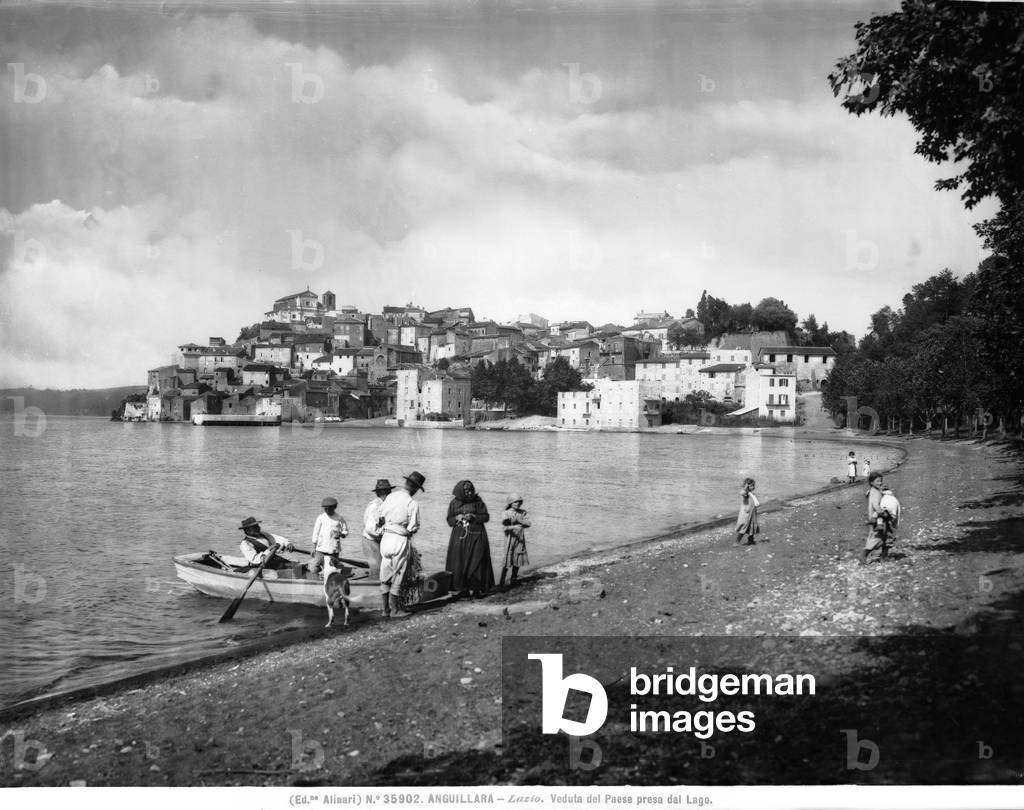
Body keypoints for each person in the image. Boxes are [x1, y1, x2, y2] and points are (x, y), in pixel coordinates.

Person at [378, 471, 425, 618]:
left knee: (385, 572)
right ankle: (395, 610)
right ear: (416, 489)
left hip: (386, 538)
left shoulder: (391, 496)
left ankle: (385, 610)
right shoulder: (412, 503)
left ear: (405, 483)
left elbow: (380, 517)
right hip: (399, 540)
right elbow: (413, 527)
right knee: (398, 574)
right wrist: (408, 531)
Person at [445, 480, 496, 597]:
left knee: (477, 560)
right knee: (459, 562)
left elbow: (486, 517)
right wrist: (456, 518)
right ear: (460, 491)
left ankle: (477, 589)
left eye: (470, 490)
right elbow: (449, 520)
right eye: (466, 491)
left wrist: (474, 516)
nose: (469, 493)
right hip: (459, 537)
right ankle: (463, 589)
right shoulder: (454, 503)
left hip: (477, 534)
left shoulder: (478, 501)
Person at [362, 479, 395, 579]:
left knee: (382, 566)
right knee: (377, 568)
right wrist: (385, 532)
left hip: (376, 541)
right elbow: (370, 529)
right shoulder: (375, 507)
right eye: (389, 492)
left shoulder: (383, 505)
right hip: (370, 541)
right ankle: (374, 589)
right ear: (383, 493)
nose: (390, 494)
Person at [310, 497, 348, 577]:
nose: (327, 510)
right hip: (321, 548)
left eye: (329, 509)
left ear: (334, 508)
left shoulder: (339, 518)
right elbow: (315, 532)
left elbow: (345, 530)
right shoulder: (321, 518)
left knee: (334, 566)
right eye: (325, 509)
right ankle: (317, 579)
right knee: (314, 566)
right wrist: (314, 547)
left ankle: (333, 578)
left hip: (333, 548)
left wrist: (342, 534)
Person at [500, 494, 531, 588]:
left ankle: (514, 578)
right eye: (515, 502)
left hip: (520, 539)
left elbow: (528, 524)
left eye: (519, 502)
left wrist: (519, 520)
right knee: (507, 558)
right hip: (510, 539)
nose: (517, 503)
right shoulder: (505, 513)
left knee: (518, 557)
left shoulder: (523, 512)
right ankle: (502, 579)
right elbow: (504, 528)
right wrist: (513, 526)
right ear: (510, 503)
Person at [860, 471, 886, 564]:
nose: (880, 483)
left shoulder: (872, 491)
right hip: (876, 517)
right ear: (871, 482)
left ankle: (882, 556)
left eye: (881, 481)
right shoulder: (875, 493)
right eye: (877, 481)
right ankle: (864, 554)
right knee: (878, 536)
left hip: (873, 517)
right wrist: (881, 511)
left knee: (876, 535)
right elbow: (875, 505)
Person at [736, 478, 760, 546]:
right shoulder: (746, 494)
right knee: (744, 527)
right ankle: (737, 541)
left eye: (753, 485)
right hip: (746, 514)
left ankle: (751, 540)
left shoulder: (751, 493)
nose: (753, 487)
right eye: (751, 485)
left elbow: (755, 503)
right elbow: (742, 493)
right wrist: (745, 488)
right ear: (747, 486)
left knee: (752, 526)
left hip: (752, 513)